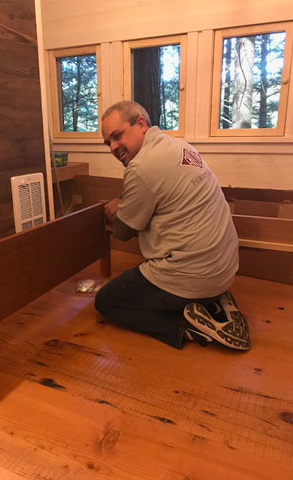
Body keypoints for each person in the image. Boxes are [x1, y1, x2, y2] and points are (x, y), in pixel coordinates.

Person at [94, 100, 250, 351]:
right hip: (226, 269)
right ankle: (212, 301)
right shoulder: (178, 145)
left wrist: (116, 210)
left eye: (117, 136)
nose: (113, 147)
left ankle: (189, 327)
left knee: (107, 301)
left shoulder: (141, 167)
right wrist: (126, 201)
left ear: (141, 124)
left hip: (194, 277)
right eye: (108, 143)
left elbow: (123, 232)